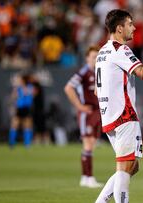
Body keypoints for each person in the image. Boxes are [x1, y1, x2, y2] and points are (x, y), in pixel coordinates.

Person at [94, 9, 143, 203]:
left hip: (109, 115)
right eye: (130, 24)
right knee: (125, 167)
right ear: (119, 28)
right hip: (124, 114)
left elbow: (96, 90)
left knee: (131, 166)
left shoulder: (102, 52)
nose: (134, 28)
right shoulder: (121, 49)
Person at [64, 45, 103, 188]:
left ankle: (87, 177)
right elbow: (68, 87)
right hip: (86, 112)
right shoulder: (84, 72)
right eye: (93, 57)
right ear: (87, 58)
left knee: (91, 143)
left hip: (96, 111)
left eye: (98, 57)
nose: (95, 60)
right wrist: (79, 106)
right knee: (88, 144)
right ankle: (87, 177)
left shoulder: (98, 72)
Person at [8, 73, 35, 148]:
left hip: (26, 108)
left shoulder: (30, 87)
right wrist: (15, 89)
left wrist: (21, 85)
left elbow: (28, 93)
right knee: (14, 125)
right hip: (19, 108)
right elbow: (13, 96)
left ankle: (27, 144)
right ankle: (11, 143)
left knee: (27, 126)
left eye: (20, 80)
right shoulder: (18, 88)